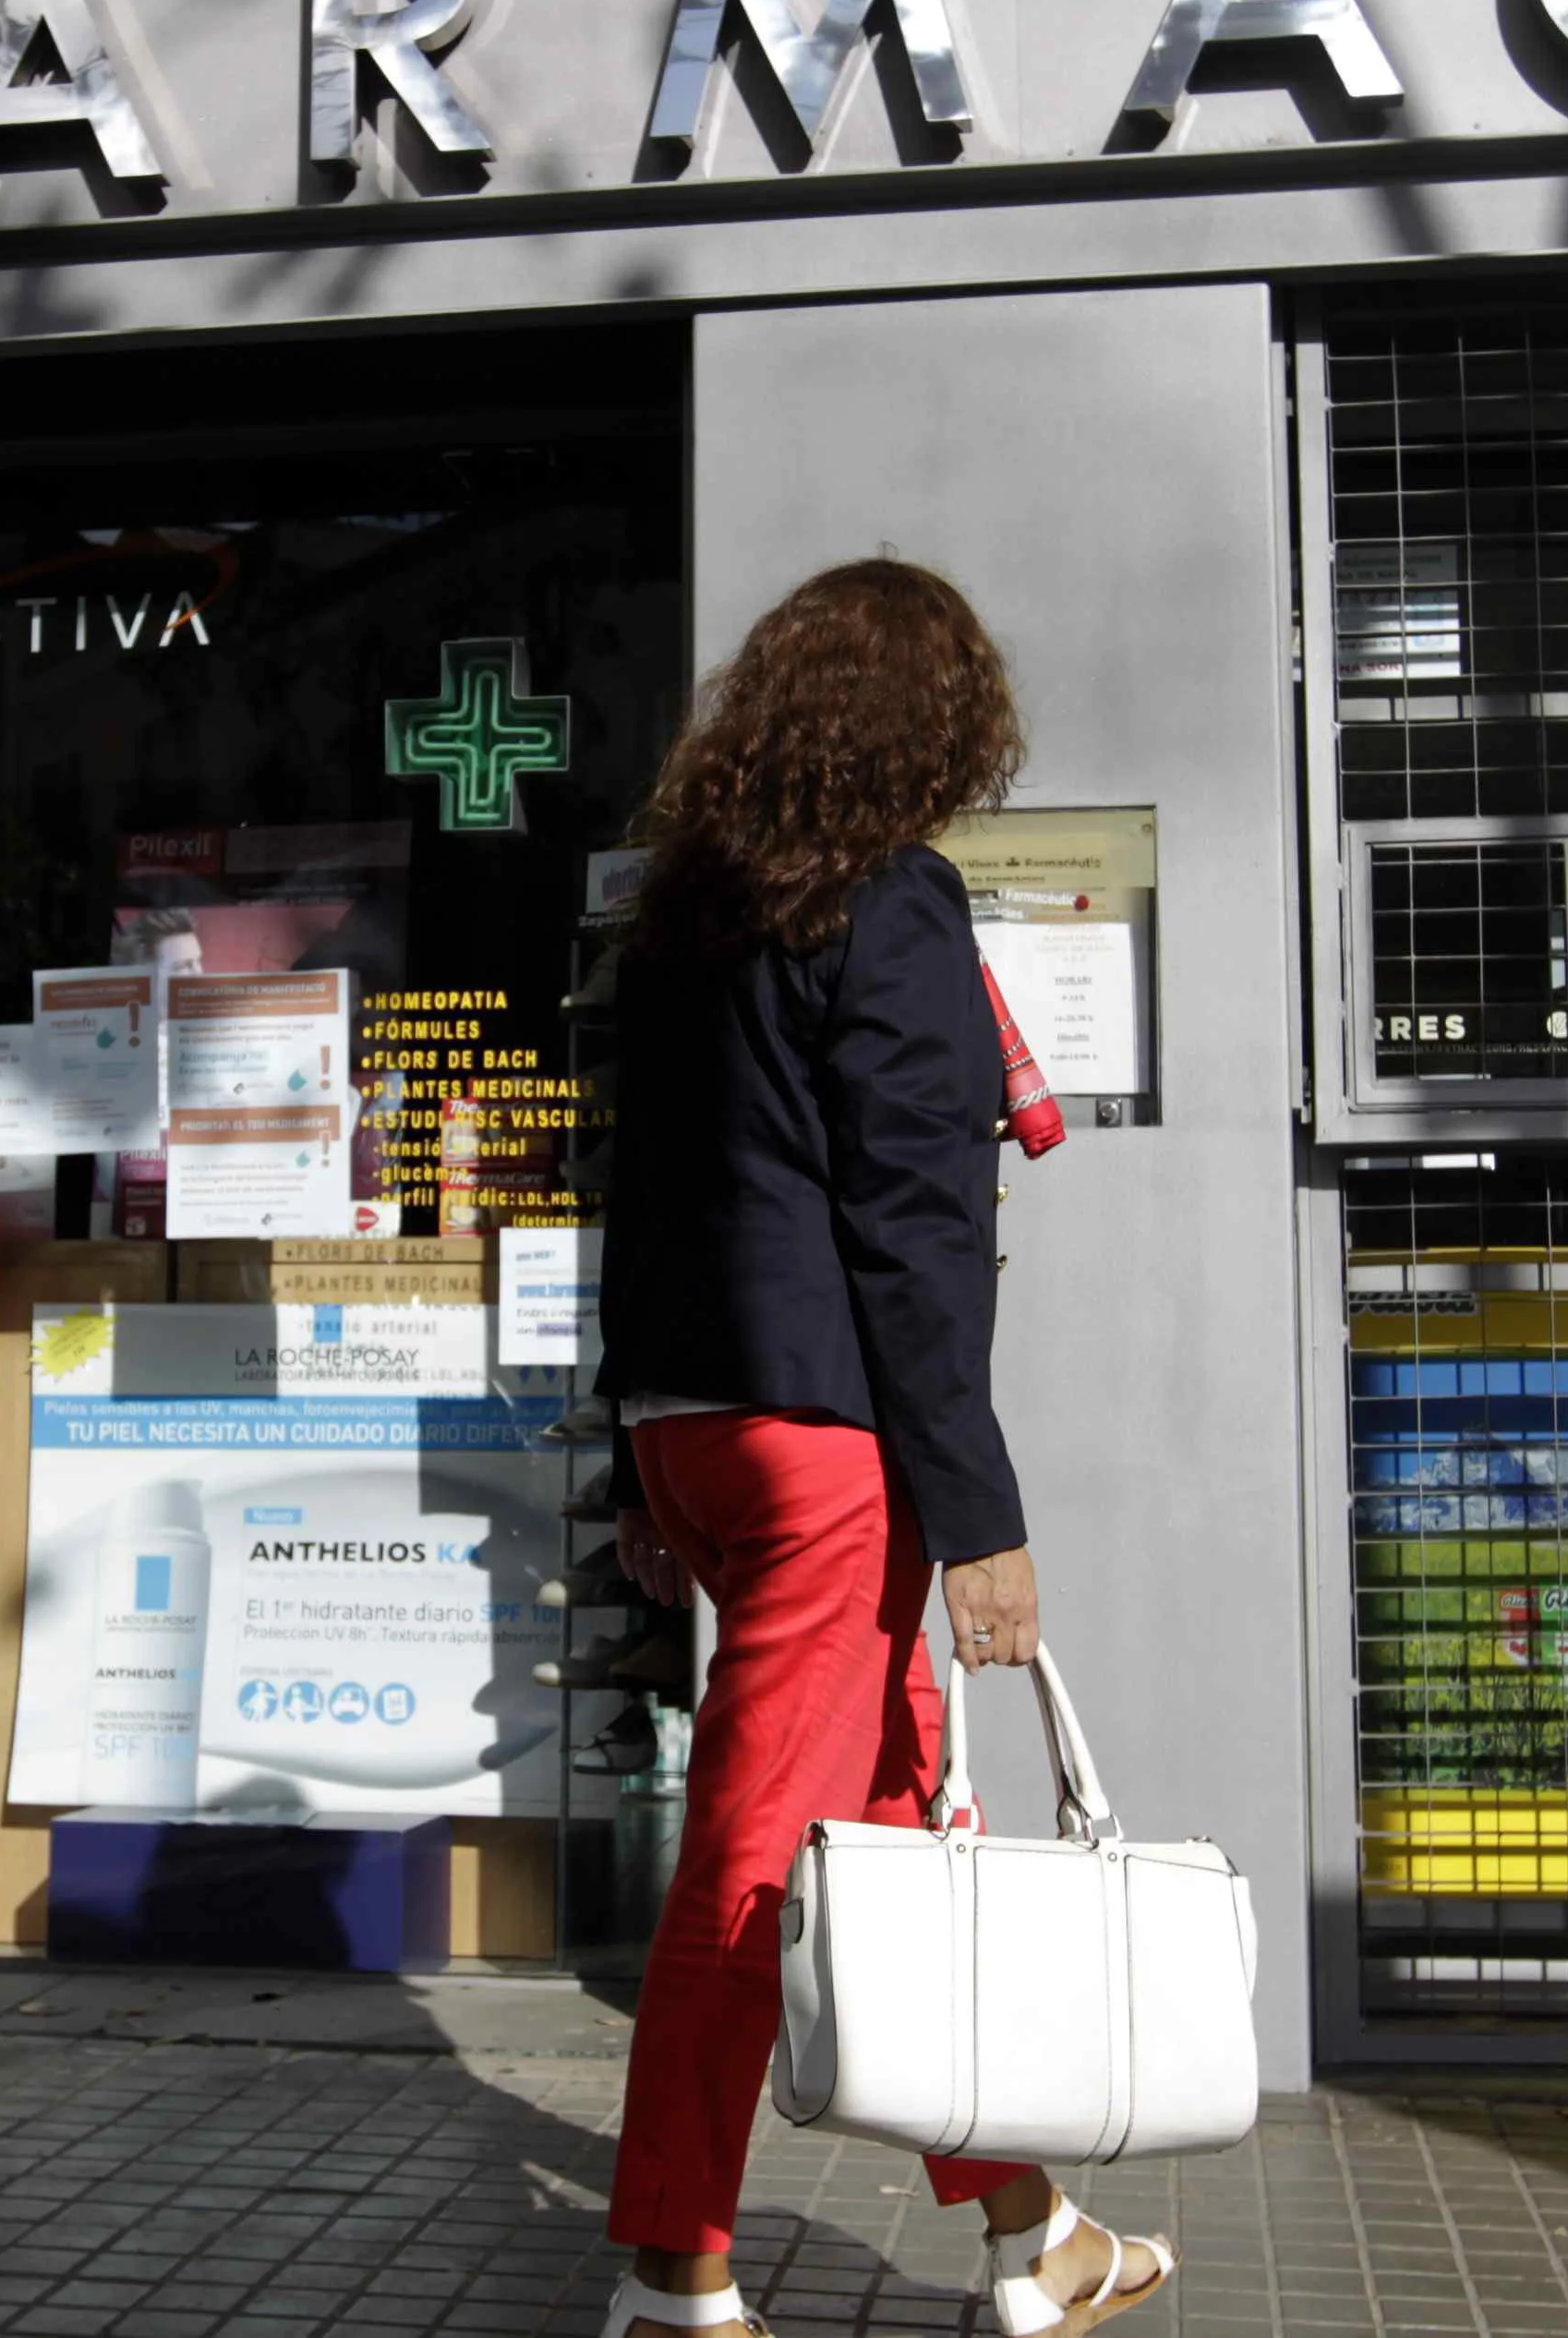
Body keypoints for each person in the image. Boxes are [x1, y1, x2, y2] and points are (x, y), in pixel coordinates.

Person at [591, 560, 1176, 2338]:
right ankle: (672, 2273)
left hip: (698, 1424)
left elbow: (644, 1198)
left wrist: (637, 1456)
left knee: (897, 1803)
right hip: (820, 1449)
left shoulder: (688, 913)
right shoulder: (894, 903)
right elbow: (917, 1227)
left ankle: (1031, 2239)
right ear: (940, 731)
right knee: (756, 1859)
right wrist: (978, 1513)